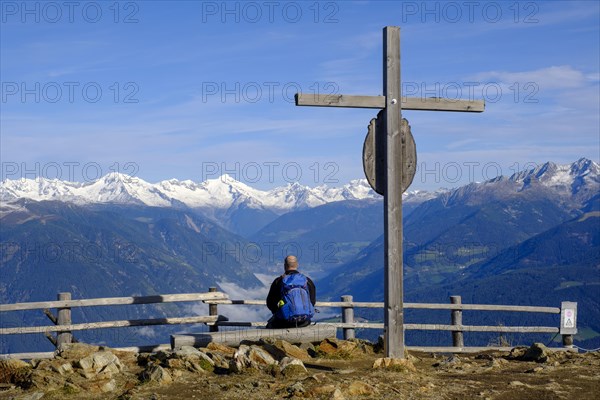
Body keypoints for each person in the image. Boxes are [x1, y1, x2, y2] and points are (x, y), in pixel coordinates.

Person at [266, 255, 316, 329]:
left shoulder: (278, 281)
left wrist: (279, 312)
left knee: (269, 326)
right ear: (297, 265)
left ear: (284, 266)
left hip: (283, 322)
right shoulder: (307, 281)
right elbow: (312, 302)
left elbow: (270, 303)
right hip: (304, 321)